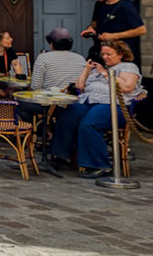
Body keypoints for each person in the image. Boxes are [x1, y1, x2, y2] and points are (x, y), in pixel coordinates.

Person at [48, 40, 141, 176]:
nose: (105, 57)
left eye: (109, 54)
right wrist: (87, 69)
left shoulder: (128, 67)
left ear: (120, 54)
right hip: (89, 102)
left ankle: (98, 165)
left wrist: (105, 73)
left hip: (113, 105)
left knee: (89, 124)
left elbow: (127, 87)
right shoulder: (97, 69)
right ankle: (61, 155)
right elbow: (79, 86)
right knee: (68, 114)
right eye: (103, 54)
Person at [83, 0, 147, 62]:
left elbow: (141, 30)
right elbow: (94, 23)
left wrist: (114, 36)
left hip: (120, 53)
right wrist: (90, 30)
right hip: (101, 50)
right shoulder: (99, 5)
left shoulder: (126, 6)